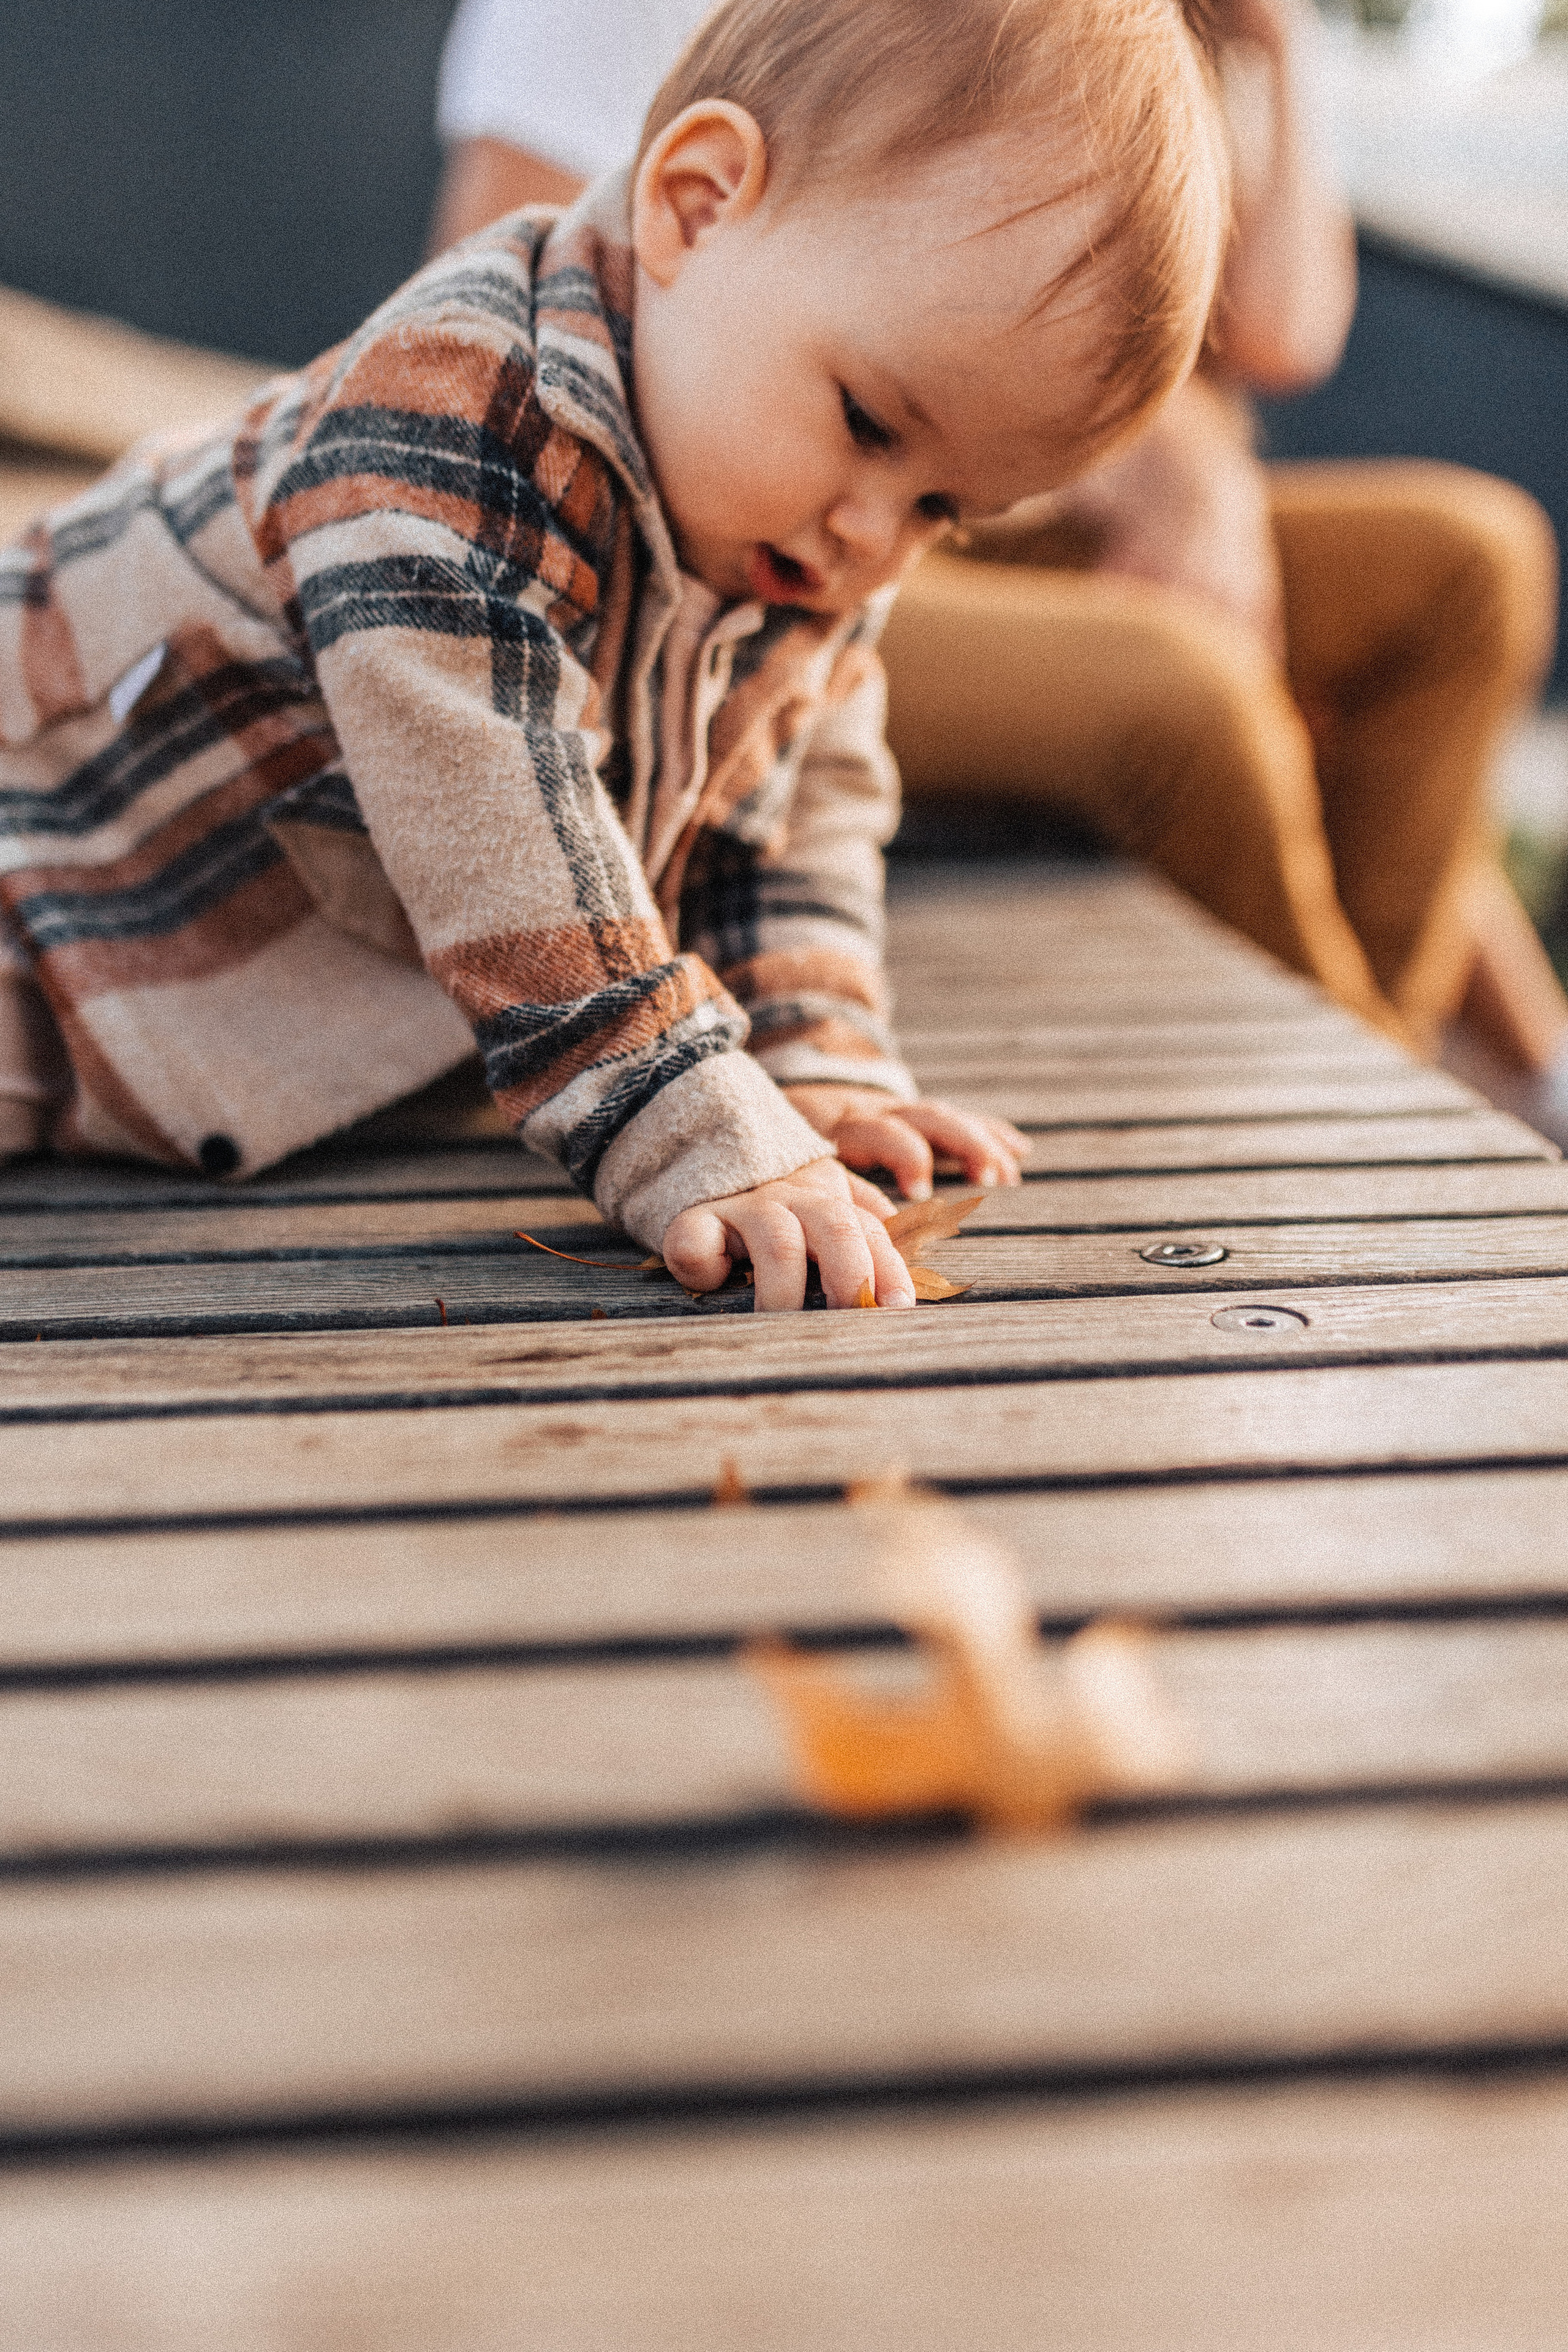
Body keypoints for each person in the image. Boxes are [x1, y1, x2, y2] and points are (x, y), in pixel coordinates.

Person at [0, 0, 1230, 1313]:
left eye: (944, 510)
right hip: (44, 883)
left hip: (201, 1010)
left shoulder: (791, 535)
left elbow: (792, 806)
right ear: (696, 208)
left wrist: (812, 1062)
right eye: (870, 422)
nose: (877, 534)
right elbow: (489, 797)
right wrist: (692, 1128)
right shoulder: (457, 414)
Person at [431, 0, 1566, 1081]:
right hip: (704, 530)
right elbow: (509, 297)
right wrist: (1163, 458)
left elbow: (1283, 331)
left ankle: (1398, 1082)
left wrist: (1279, 40)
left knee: (1472, 566)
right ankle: (1389, 1108)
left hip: (986, 517)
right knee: (1189, 693)